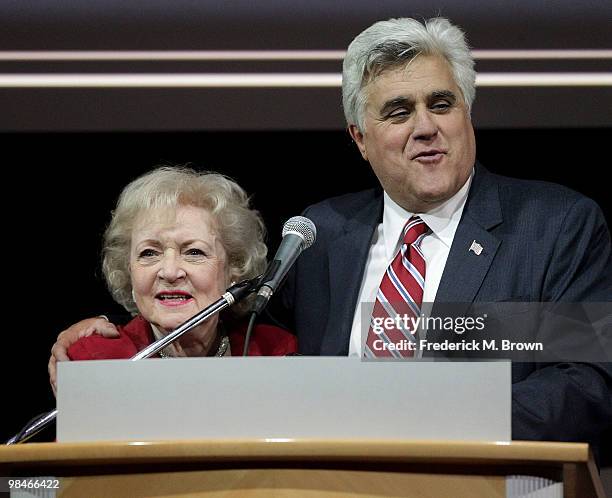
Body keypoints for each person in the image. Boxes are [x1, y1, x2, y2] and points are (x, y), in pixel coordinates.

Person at [49, 18, 611, 451]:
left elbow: (586, 385)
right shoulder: (321, 235)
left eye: (442, 103)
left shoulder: (553, 224)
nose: (425, 126)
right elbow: (230, 328)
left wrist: (432, 421)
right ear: (360, 138)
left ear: (468, 114)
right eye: (397, 111)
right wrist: (107, 338)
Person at [48, 166, 296, 391]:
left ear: (234, 269)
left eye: (194, 252)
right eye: (149, 253)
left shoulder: (275, 354)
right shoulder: (95, 361)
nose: (169, 271)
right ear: (129, 272)